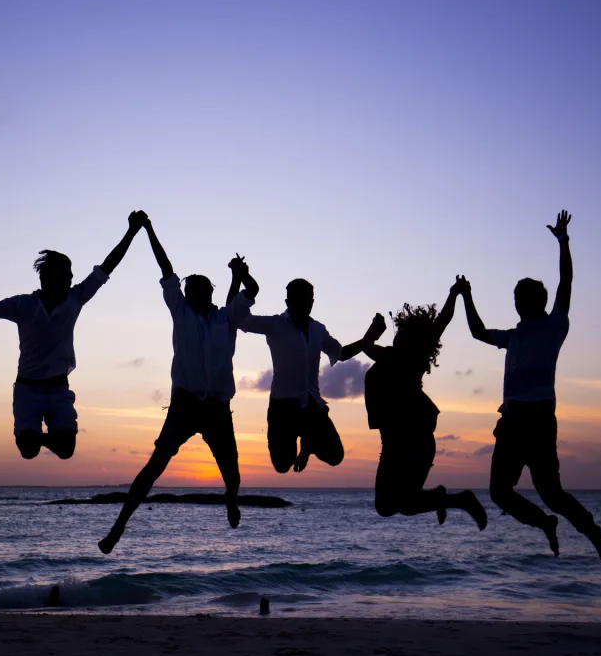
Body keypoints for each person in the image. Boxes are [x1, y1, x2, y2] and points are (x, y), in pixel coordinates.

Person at [0, 212, 147, 461]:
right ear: (50, 277)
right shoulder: (23, 305)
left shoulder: (75, 298)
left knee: (66, 451)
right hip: (27, 389)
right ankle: (29, 438)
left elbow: (108, 266)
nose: (72, 278)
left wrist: (131, 231)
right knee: (28, 452)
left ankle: (32, 435)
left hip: (59, 387)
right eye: (67, 273)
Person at [460, 210, 601, 566]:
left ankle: (593, 533)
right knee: (499, 493)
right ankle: (544, 523)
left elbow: (567, 284)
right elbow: (478, 333)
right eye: (515, 296)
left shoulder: (553, 327)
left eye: (520, 296)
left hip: (538, 420)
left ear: (535, 301)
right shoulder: (512, 337)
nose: (515, 301)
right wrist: (467, 296)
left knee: (552, 493)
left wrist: (563, 242)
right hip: (512, 422)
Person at [99, 217, 258, 554]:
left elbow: (251, 293)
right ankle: (119, 526)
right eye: (186, 291)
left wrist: (241, 276)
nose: (187, 294)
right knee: (154, 466)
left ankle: (231, 501)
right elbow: (166, 267)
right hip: (184, 406)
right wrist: (148, 230)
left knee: (233, 474)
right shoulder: (181, 313)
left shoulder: (225, 318)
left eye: (195, 290)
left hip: (216, 409)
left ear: (208, 293)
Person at [362, 279, 487, 529]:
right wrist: (455, 294)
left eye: (399, 333)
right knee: (393, 506)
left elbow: (366, 346)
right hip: (400, 444)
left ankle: (453, 499)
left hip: (410, 444)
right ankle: (457, 500)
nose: (396, 335)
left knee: (394, 505)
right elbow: (443, 319)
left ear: (407, 336)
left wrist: (373, 330)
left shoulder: (400, 356)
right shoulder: (406, 356)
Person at [237, 278, 366, 474]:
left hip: (311, 406)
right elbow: (239, 319)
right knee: (282, 466)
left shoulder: (318, 329)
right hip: (282, 407)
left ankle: (307, 445)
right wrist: (240, 279)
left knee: (336, 456)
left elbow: (340, 353)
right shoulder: (275, 324)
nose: (306, 305)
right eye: (301, 300)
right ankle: (304, 441)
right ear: (289, 302)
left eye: (309, 300)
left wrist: (368, 339)